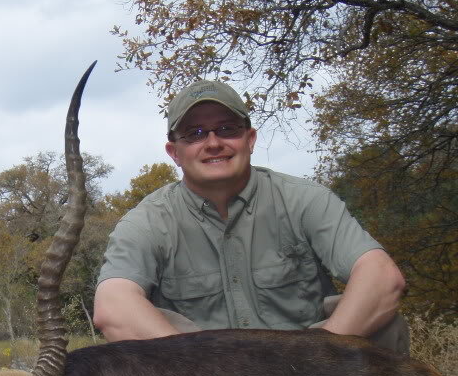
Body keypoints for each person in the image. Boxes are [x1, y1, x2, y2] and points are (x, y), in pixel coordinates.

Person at [94, 80, 409, 353]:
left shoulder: (304, 199)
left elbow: (381, 276)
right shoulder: (147, 222)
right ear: (174, 152)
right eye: (195, 133)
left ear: (250, 139)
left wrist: (315, 360)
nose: (214, 143)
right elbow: (112, 307)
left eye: (227, 129)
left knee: (386, 323)